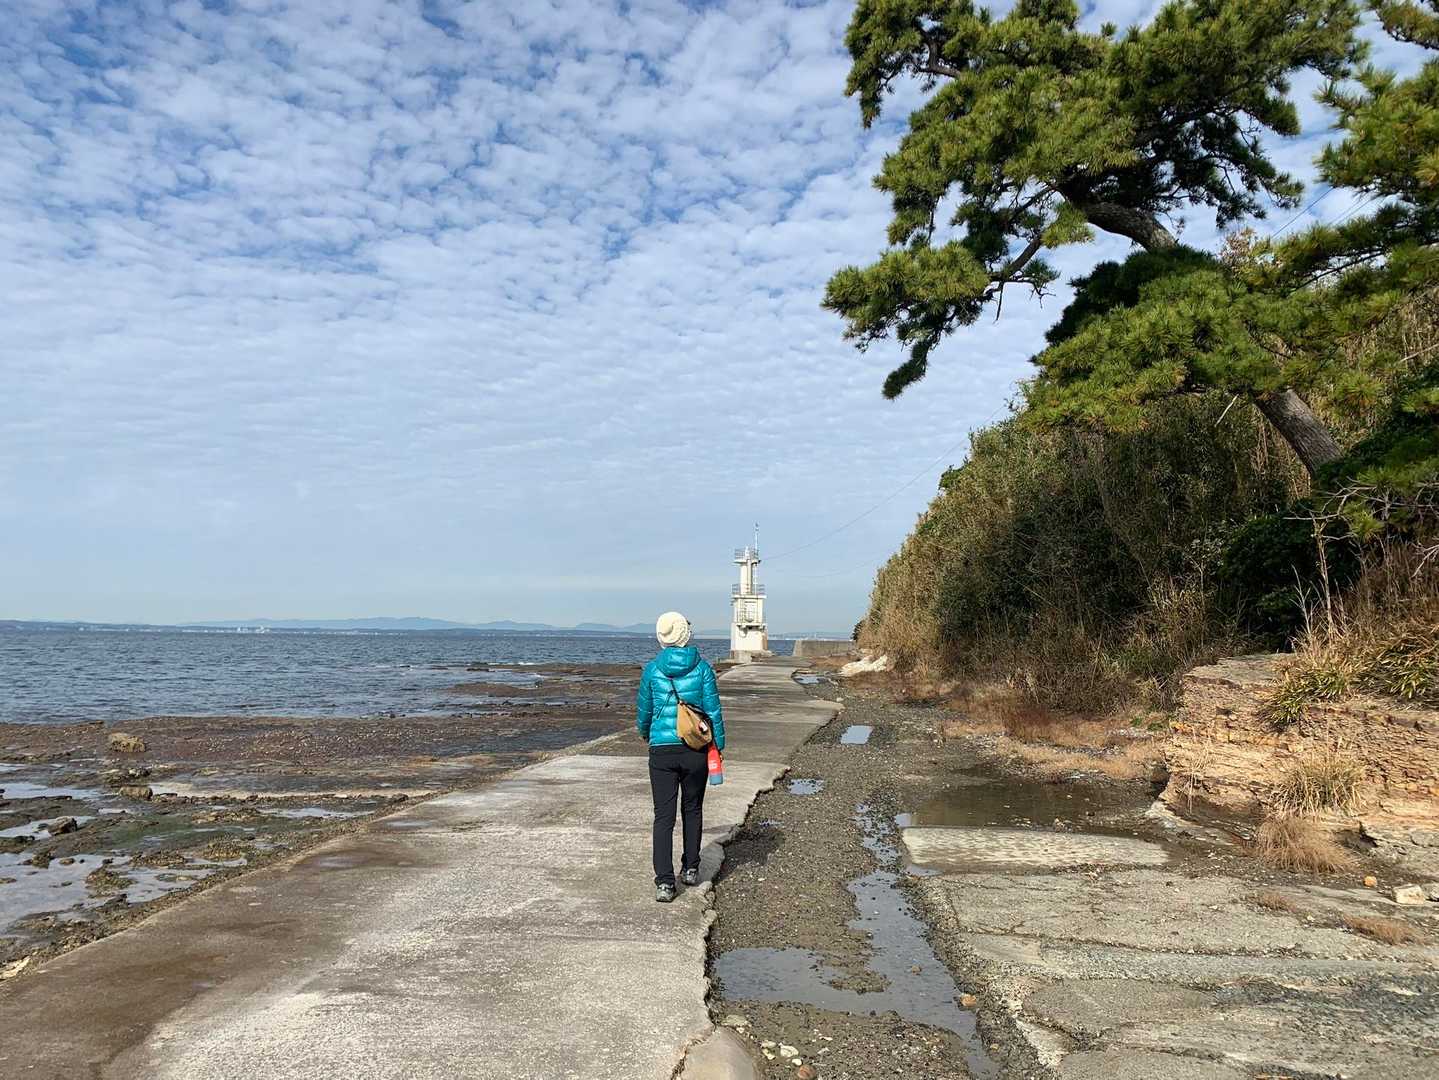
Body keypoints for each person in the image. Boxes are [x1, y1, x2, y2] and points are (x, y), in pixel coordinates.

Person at [636, 611, 725, 902]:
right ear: (686, 634)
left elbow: (644, 711)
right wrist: (718, 745)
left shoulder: (652, 670)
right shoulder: (703, 669)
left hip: (661, 751)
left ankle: (665, 883)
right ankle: (690, 868)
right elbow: (713, 712)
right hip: (694, 749)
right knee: (692, 809)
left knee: (663, 817)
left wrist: (646, 734)